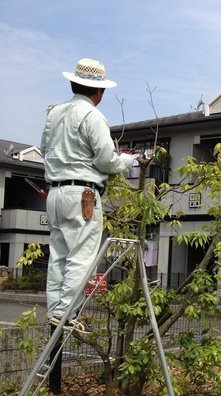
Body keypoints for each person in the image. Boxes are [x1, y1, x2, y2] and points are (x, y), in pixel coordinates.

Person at [41, 58, 135, 333]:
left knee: (59, 254)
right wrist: (127, 161)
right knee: (81, 256)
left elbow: (46, 148)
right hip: (83, 194)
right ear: (99, 91)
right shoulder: (93, 116)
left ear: (74, 83)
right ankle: (68, 315)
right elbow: (106, 160)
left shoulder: (54, 113)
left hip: (55, 192)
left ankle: (57, 311)